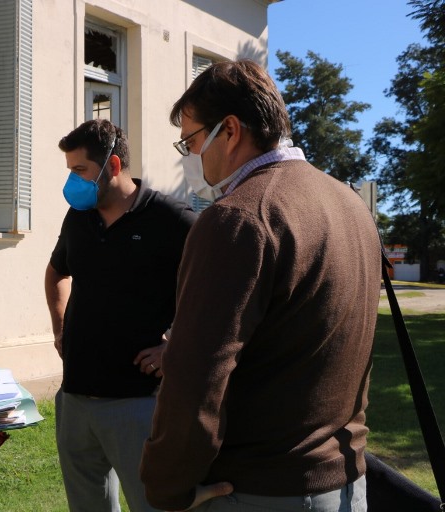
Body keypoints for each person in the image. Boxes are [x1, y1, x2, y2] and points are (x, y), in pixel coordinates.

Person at [140, 60, 382, 512]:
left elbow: (196, 377)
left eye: (191, 141)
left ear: (230, 131)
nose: (190, 156)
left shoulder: (238, 218)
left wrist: (167, 488)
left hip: (259, 489)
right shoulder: (351, 205)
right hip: (347, 481)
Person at [45, 119, 197, 512]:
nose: (72, 181)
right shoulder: (79, 217)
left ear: (113, 166)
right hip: (75, 398)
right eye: (70, 171)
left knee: (154, 505)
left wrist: (175, 345)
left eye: (80, 170)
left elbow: (216, 290)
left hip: (140, 403)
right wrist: (60, 330)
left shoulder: (172, 219)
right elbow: (57, 271)